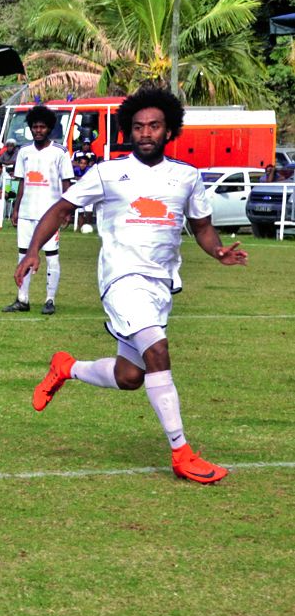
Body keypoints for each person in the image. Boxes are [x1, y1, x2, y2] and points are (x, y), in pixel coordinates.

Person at [23, 87, 245, 485]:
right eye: (139, 126)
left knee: (130, 376)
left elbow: (202, 227)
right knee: (157, 351)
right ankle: (181, 452)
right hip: (121, 279)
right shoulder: (108, 173)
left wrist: (217, 251)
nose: (146, 133)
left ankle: (67, 368)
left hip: (161, 285)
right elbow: (61, 208)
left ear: (169, 130)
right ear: (129, 130)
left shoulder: (186, 177)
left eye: (154, 126)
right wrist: (32, 250)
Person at [3, 105, 74, 315]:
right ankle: (22, 299)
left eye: (42, 127)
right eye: (35, 127)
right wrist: (16, 208)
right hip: (27, 212)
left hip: (50, 214)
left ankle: (50, 299)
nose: (38, 130)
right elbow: (21, 182)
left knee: (52, 256)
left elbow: (66, 182)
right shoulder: (24, 151)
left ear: (49, 128)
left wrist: (66, 210)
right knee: (23, 255)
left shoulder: (60, 152)